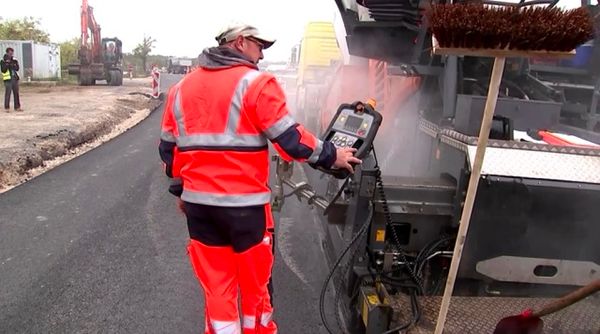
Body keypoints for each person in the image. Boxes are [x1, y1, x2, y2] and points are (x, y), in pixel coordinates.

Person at [158, 23, 361, 333]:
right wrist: (334, 156)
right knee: (255, 293)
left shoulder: (180, 90)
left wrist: (183, 190)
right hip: (245, 211)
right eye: (259, 45)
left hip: (200, 210)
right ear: (240, 43)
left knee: (218, 292)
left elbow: (169, 153)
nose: (262, 54)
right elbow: (290, 139)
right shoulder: (256, 84)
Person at [1, 47, 22, 112]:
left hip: (14, 78)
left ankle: (17, 107)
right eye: (10, 53)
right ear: (7, 53)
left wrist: (12, 64)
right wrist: (7, 64)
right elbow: (3, 70)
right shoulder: (3, 61)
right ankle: (7, 108)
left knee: (16, 93)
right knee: (8, 94)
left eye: (12, 53)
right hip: (8, 79)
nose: (11, 54)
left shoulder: (14, 60)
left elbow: (17, 68)